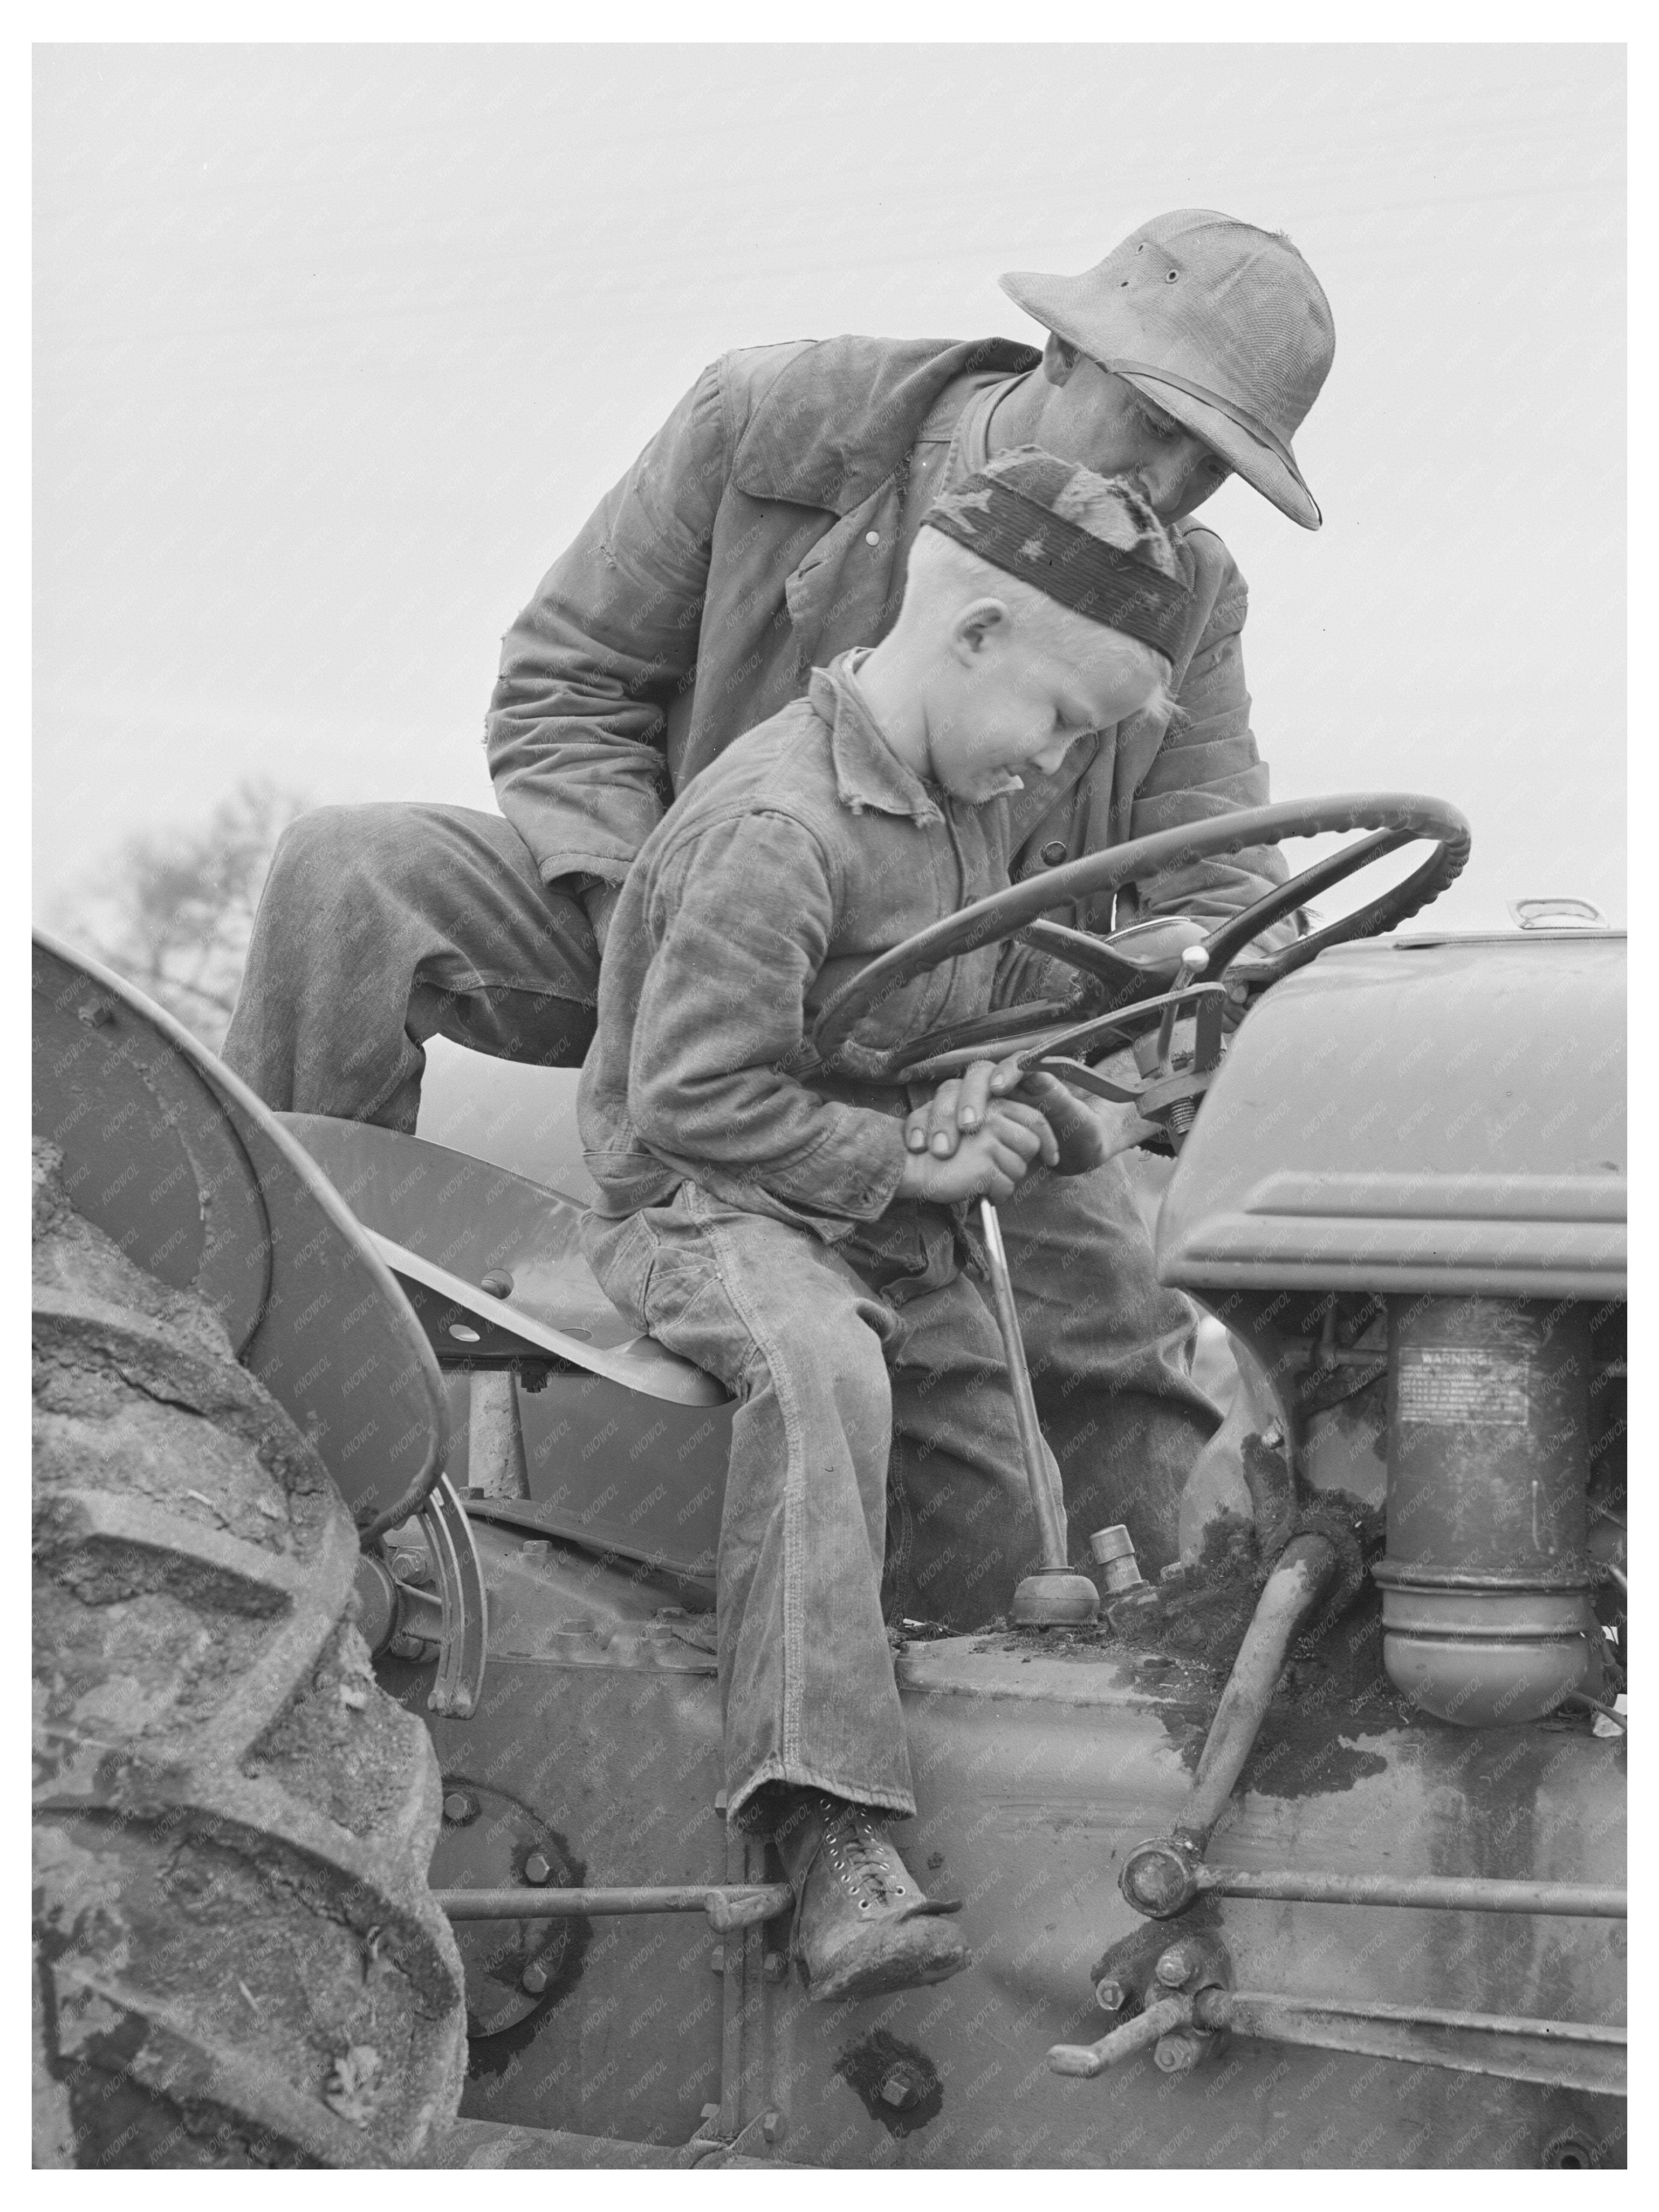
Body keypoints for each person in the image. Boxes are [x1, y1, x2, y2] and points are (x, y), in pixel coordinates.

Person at [225, 207, 1335, 1572]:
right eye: (1156, 426)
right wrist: (678, 922)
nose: (1170, 487)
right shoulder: (777, 425)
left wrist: (1241, 973)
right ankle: (252, 1366)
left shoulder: (1184, 594)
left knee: (1107, 1343)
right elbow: (566, 685)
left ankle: (1142, 1694)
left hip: (942, 1037)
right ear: (1061, 349)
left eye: (1214, 465)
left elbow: (1210, 861)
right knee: (352, 875)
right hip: (668, 928)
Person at [578, 448, 1190, 2002]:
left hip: (857, 1217)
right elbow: (689, 1098)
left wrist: (1018, 1103)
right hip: (706, 1208)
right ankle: (817, 1822)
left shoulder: (960, 803)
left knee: (1000, 1462)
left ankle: (1009, 1769)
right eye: (1060, 723)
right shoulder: (780, 825)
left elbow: (964, 1015)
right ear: (974, 636)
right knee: (824, 1368)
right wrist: (899, 1161)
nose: (1054, 766)